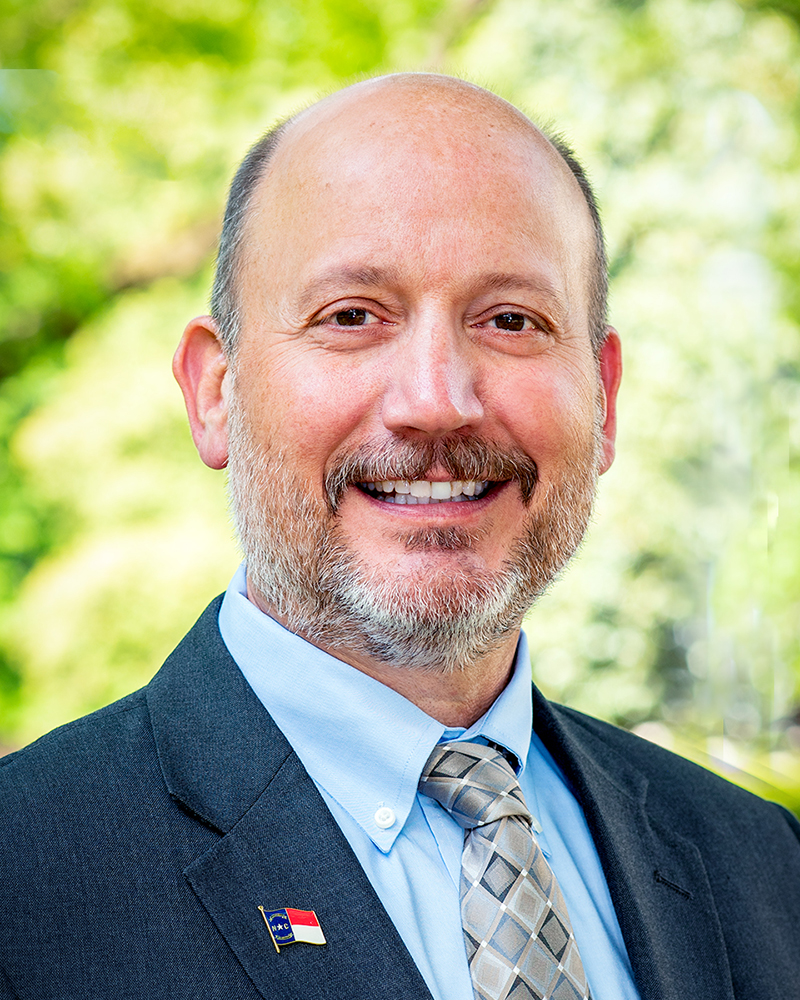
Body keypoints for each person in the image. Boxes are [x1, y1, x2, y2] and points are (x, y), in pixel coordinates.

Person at [0, 73, 798, 1000]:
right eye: (352, 317)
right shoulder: (26, 882)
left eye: (511, 320)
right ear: (216, 393)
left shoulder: (763, 871)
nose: (434, 401)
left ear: (605, 398)